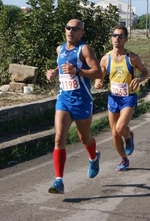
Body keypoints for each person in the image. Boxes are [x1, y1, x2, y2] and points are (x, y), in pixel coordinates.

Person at [46, 19, 103, 194]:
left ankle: (93, 157)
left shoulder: (84, 49)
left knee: (84, 139)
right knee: (58, 138)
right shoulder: (60, 48)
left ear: (81, 33)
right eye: (68, 27)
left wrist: (77, 71)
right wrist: (55, 71)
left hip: (82, 101)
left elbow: (98, 72)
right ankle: (59, 181)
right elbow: (62, 64)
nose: (70, 31)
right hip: (64, 99)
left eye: (75, 29)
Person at [94, 25, 149, 171]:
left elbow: (145, 72)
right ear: (111, 38)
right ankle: (124, 159)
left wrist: (139, 79)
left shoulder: (132, 58)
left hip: (128, 97)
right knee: (114, 133)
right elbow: (101, 75)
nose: (117, 39)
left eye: (120, 36)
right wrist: (98, 81)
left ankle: (129, 137)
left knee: (120, 128)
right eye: (114, 35)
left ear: (126, 39)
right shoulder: (106, 59)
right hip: (113, 98)